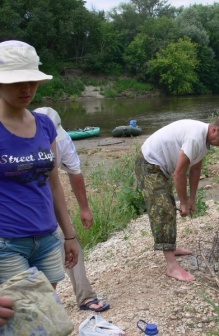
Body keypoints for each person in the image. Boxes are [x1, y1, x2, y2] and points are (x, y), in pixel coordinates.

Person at [0, 40, 78, 289]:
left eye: (32, 81)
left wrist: (69, 235)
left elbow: (54, 185)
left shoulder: (44, 124)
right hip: (7, 243)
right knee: (23, 319)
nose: (26, 89)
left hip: (48, 238)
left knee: (47, 316)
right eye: (16, 82)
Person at [135, 117, 219, 282]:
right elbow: (179, 173)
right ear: (214, 130)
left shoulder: (206, 142)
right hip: (149, 163)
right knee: (163, 208)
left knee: (168, 204)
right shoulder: (195, 137)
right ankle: (172, 266)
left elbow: (195, 169)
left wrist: (192, 199)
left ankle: (171, 246)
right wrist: (183, 203)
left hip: (162, 167)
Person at [34, 107, 110, 312]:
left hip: (48, 198)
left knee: (70, 241)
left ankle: (85, 296)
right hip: (15, 207)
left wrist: (84, 208)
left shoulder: (62, 139)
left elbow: (73, 172)